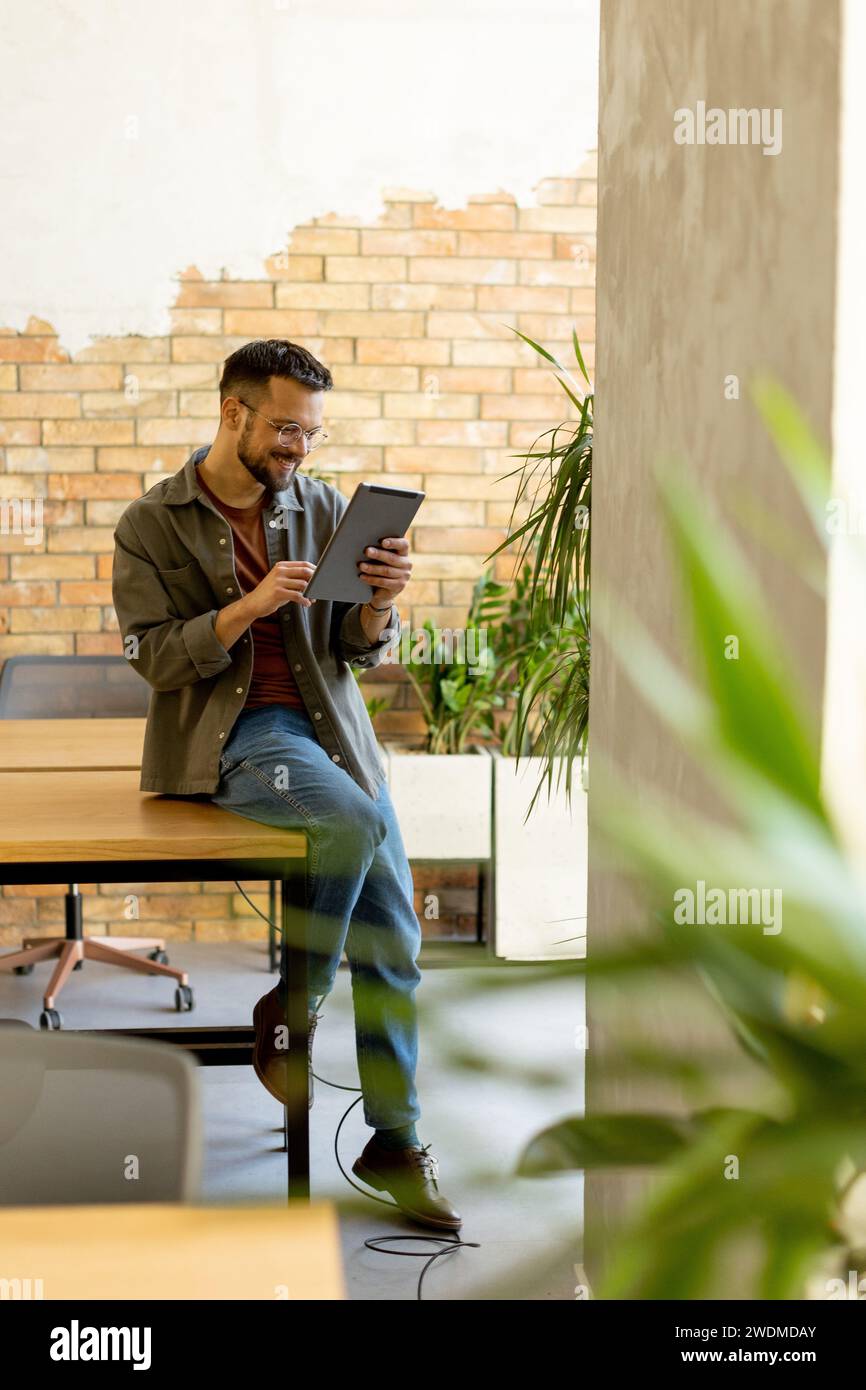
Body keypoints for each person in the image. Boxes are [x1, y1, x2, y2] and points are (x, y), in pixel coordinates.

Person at [111, 338, 461, 1232]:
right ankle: (294, 1008)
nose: (300, 449)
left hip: (336, 732)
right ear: (233, 414)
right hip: (239, 734)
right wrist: (250, 606)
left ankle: (395, 1142)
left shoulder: (322, 507)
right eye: (285, 429)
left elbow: (351, 644)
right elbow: (154, 658)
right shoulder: (151, 524)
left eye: (311, 431)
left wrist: (381, 602)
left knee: (396, 944)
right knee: (344, 822)